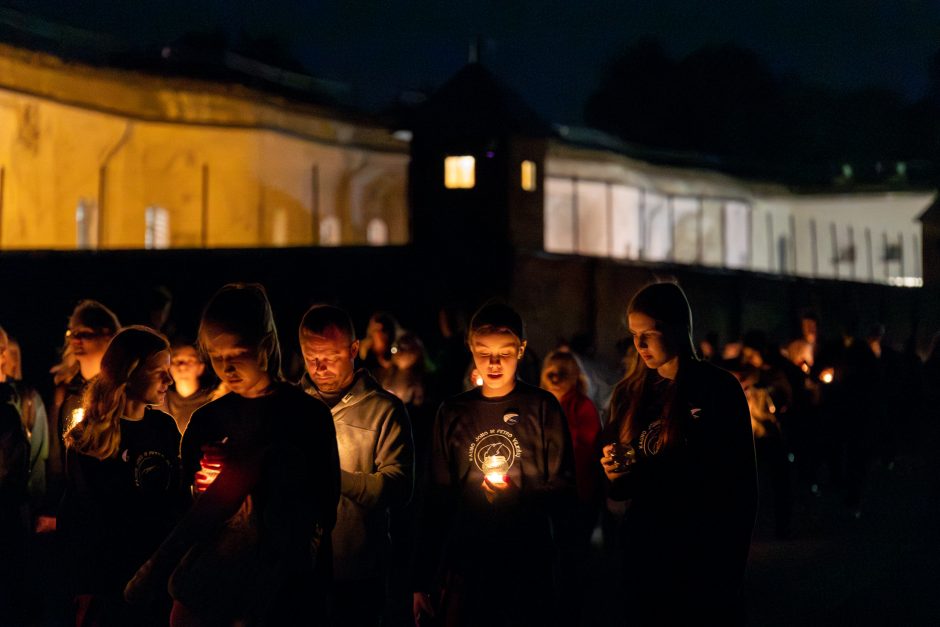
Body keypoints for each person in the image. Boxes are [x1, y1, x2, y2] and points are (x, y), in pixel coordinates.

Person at [125, 283, 339, 627]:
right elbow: (187, 504)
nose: (227, 367)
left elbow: (323, 509)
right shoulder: (208, 419)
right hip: (213, 587)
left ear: (265, 344)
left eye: (237, 353)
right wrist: (202, 485)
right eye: (216, 356)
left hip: (284, 591)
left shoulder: (305, 416)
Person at [600, 282, 757, 626]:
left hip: (699, 553)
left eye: (649, 333)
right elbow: (621, 481)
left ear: (678, 328)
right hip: (644, 552)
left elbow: (740, 484)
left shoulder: (717, 389)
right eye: (633, 334)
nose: (639, 345)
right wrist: (615, 475)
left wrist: (731, 567)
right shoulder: (630, 394)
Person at [413, 302, 576, 627]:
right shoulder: (453, 412)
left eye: (505, 351)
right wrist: (422, 577)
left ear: (522, 349)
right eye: (484, 351)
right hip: (468, 558)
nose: (494, 362)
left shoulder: (542, 407)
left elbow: (564, 486)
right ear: (470, 348)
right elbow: (436, 498)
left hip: (527, 559)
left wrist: (519, 496)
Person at [58, 326, 182, 626]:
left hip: (160, 573)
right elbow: (80, 515)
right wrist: (84, 586)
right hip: (111, 581)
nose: (170, 379)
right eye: (159, 371)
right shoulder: (90, 436)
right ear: (129, 372)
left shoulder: (163, 427)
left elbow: (178, 500)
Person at [299, 304, 414, 626]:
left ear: (353, 349)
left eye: (331, 357)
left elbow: (400, 486)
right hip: (300, 569)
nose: (320, 367)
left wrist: (336, 479)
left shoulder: (384, 410)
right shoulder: (292, 407)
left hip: (359, 569)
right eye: (311, 357)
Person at [49, 300, 121, 497]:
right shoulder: (63, 391)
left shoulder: (121, 393)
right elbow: (55, 454)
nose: (75, 340)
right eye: (72, 333)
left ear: (108, 336)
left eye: (85, 334)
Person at [162, 341, 212, 434]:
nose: (182, 366)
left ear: (200, 367)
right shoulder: (159, 401)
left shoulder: (213, 401)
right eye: (176, 360)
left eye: (190, 360)